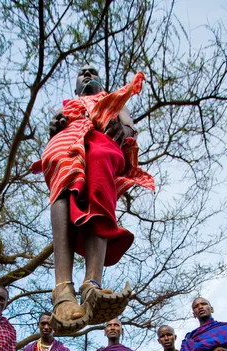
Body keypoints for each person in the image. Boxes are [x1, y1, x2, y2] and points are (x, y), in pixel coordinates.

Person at [32, 65, 154, 333]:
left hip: (102, 140)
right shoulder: (68, 106)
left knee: (100, 180)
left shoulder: (111, 102)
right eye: (82, 73)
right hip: (67, 139)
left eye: (92, 72)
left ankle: (91, 284)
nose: (87, 74)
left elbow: (129, 126)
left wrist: (126, 132)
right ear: (76, 86)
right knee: (64, 178)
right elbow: (54, 126)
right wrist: (55, 126)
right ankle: (62, 289)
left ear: (101, 81)